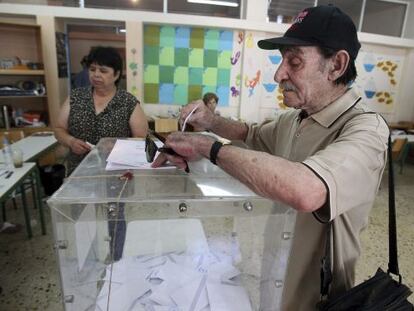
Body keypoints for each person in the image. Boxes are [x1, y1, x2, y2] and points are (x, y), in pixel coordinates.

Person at [153, 5, 389, 310]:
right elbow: (250, 133)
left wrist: (206, 148)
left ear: (336, 66)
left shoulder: (365, 130)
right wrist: (211, 122)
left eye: (294, 62)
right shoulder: (296, 119)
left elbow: (307, 190)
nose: (279, 74)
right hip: (273, 273)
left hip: (314, 296)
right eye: (282, 61)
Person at [55, 46, 148, 175]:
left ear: (116, 74)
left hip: (117, 170)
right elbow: (59, 129)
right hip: (79, 170)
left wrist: (117, 145)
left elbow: (141, 138)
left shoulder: (128, 102)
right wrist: (71, 142)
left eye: (103, 71)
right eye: (92, 69)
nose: (96, 74)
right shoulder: (76, 97)